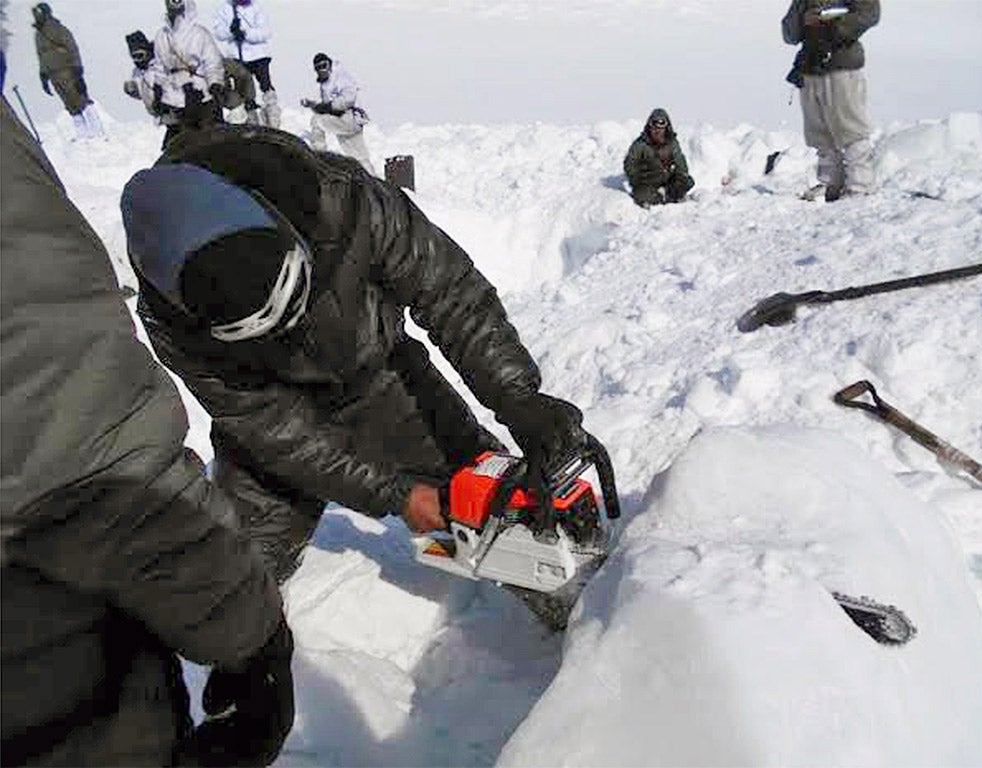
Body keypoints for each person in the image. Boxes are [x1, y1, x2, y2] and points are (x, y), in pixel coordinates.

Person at [119, 125, 589, 583]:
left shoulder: (343, 199)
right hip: (276, 425)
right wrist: (396, 494)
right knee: (237, 578)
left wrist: (516, 396)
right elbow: (275, 428)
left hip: (383, 377)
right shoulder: (172, 325)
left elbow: (450, 293)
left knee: (498, 514)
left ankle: (588, 608)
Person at [1, 99, 294, 765]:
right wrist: (252, 634)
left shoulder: (340, 203)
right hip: (51, 699)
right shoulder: (182, 325)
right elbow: (83, 454)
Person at [782, 0, 880, 201]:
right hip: (810, 66)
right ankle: (830, 184)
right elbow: (789, 32)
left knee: (852, 129)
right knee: (819, 133)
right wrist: (804, 20)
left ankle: (861, 186)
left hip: (842, 64)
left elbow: (869, 13)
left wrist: (833, 24)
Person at [31, 2, 103, 139]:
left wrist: (77, 67)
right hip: (53, 73)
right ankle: (82, 132)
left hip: (66, 70)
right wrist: (43, 75)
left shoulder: (58, 29)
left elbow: (72, 47)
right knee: (69, 103)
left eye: (39, 13)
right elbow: (41, 55)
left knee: (80, 98)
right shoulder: (38, 35)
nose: (36, 16)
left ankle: (97, 130)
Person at [154, 0, 225, 134]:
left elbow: (212, 62)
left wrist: (215, 84)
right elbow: (159, 67)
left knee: (209, 138)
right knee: (178, 144)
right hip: (174, 98)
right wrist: (158, 90)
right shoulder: (161, 36)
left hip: (201, 95)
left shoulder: (199, 34)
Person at [300, 52, 375, 175]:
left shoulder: (341, 77)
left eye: (324, 65)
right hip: (345, 121)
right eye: (318, 68)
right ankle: (374, 183)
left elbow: (348, 99)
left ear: (330, 64)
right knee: (358, 157)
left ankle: (318, 157)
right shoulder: (326, 83)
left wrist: (327, 107)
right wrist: (313, 105)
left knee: (316, 121)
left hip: (349, 118)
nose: (322, 70)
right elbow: (326, 107)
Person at [212, 0, 280, 128]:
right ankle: (250, 119)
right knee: (245, 90)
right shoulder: (225, 9)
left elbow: (266, 32)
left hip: (259, 55)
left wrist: (246, 34)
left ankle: (273, 118)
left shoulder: (257, 9)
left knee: (266, 87)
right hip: (237, 57)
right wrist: (231, 31)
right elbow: (218, 33)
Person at [623, 108, 695, 208]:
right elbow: (629, 164)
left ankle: (668, 194)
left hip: (666, 179)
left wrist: (680, 177)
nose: (657, 130)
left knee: (687, 181)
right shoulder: (640, 145)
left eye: (661, 127)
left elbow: (680, 162)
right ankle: (659, 199)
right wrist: (637, 181)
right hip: (647, 181)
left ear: (666, 128)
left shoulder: (672, 143)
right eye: (654, 126)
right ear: (649, 127)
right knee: (641, 194)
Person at [123, 30, 182, 149]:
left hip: (178, 116)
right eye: (134, 57)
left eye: (140, 55)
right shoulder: (138, 72)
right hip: (165, 118)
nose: (138, 61)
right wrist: (133, 91)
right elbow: (145, 93)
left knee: (175, 147)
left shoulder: (160, 65)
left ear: (147, 51)